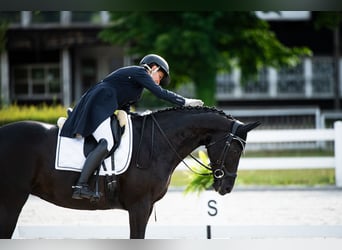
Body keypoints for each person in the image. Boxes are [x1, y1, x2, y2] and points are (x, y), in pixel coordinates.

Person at [60, 54, 204, 200]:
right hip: (99, 103)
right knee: (106, 142)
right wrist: (184, 102)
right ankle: (80, 186)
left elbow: (126, 109)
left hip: (104, 105)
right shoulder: (139, 72)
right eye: (159, 77)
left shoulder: (136, 90)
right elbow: (160, 93)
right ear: (154, 68)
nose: (158, 82)